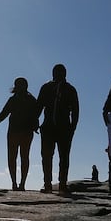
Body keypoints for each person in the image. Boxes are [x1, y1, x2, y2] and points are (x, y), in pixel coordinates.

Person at [36, 64, 79, 195]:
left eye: (61, 72)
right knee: (46, 156)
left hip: (64, 128)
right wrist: (34, 122)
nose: (58, 74)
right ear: (53, 73)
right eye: (56, 72)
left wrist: (73, 127)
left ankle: (62, 184)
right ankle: (47, 184)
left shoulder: (70, 89)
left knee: (64, 157)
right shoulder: (46, 87)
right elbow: (39, 106)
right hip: (48, 127)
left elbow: (75, 110)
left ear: (65, 74)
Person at [0, 77, 39, 191]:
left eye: (22, 85)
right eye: (19, 85)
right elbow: (3, 114)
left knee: (23, 157)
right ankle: (14, 183)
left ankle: (21, 184)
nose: (20, 87)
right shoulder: (15, 100)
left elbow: (35, 115)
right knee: (14, 157)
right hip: (15, 132)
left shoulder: (30, 99)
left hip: (24, 132)